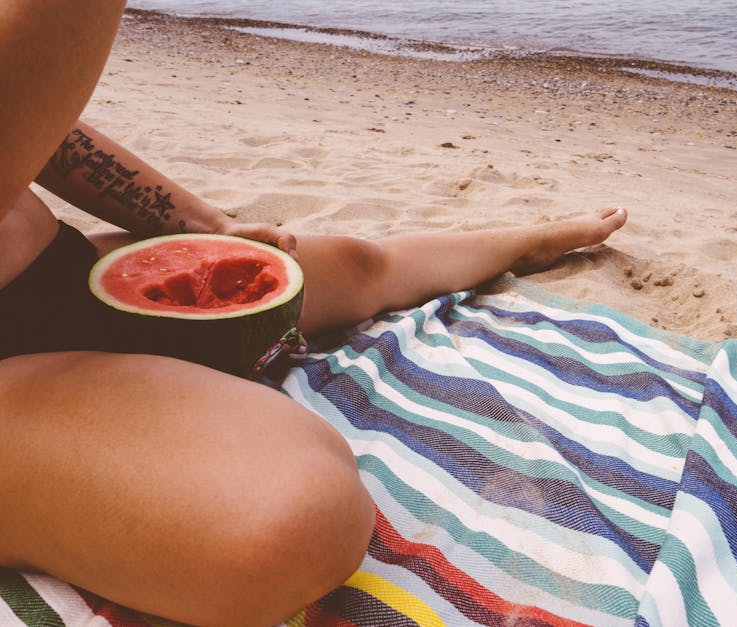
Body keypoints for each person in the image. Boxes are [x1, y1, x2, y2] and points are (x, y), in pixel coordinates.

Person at [0, 3, 627, 626]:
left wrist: (202, 225)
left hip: (50, 268)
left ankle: (528, 240)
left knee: (359, 265)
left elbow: (43, 129)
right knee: (296, 524)